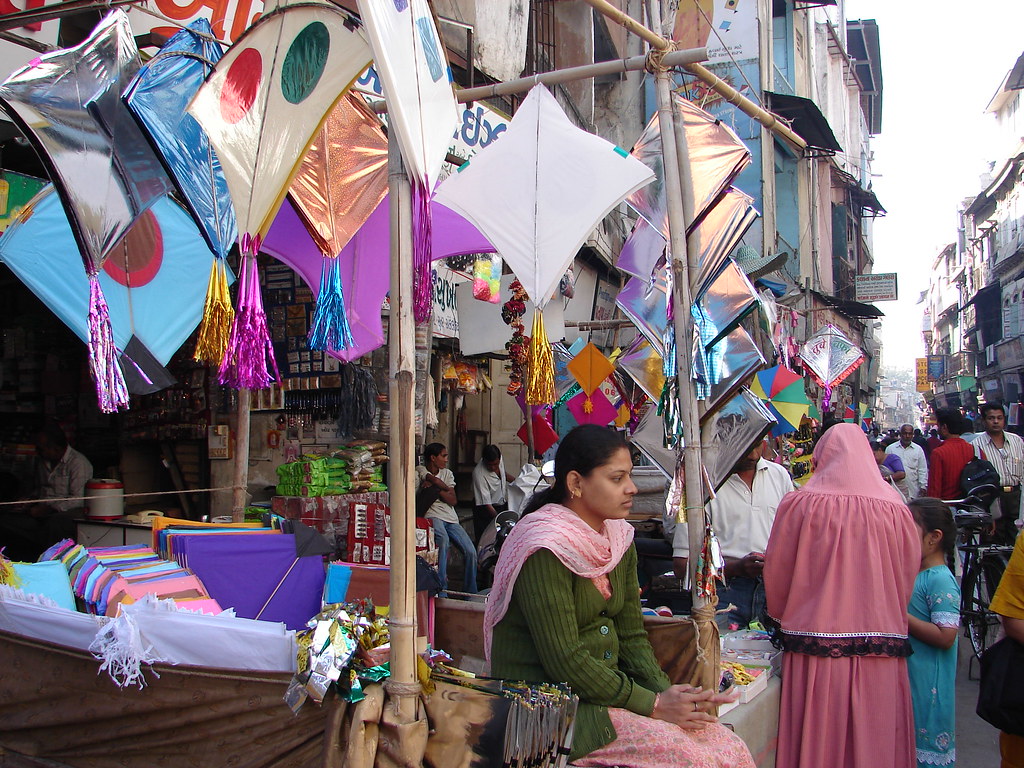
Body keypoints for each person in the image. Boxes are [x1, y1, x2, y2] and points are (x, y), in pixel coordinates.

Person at [486, 425, 754, 768]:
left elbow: (631, 637)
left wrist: (671, 697)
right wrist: (654, 705)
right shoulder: (544, 546)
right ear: (576, 484)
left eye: (628, 476)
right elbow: (565, 660)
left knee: (725, 743)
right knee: (688, 756)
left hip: (603, 698)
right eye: (617, 478)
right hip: (548, 708)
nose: (632, 488)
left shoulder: (617, 538)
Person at [764, 423, 920, 768]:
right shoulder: (896, 507)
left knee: (819, 740)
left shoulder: (801, 503)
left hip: (815, 644)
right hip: (881, 643)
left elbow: (777, 572)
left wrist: (778, 618)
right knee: (876, 737)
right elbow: (907, 574)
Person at [672, 441, 794, 630]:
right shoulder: (699, 485)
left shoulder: (779, 476)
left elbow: (792, 537)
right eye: (747, 444)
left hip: (773, 591)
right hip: (723, 594)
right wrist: (735, 568)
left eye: (758, 443)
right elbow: (682, 566)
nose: (754, 455)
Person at [905, 497, 960, 768]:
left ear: (933, 537)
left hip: (929, 684)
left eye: (908, 529)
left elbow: (945, 636)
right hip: (913, 677)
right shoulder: (916, 573)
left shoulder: (939, 579)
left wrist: (899, 617)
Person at [0, 421, 92, 561]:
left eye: (41, 448)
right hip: (39, 513)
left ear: (54, 448)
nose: (38, 452)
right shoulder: (42, 462)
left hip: (62, 514)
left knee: (54, 525)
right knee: (6, 521)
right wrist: (26, 502)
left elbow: (79, 499)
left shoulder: (78, 463)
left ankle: (48, 562)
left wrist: (49, 508)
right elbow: (40, 489)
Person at [416, 443, 477, 594]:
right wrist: (442, 488)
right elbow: (434, 482)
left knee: (471, 551)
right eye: (443, 456)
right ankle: (441, 588)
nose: (446, 459)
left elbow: (453, 500)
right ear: (433, 458)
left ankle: (470, 592)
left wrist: (436, 488)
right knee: (443, 540)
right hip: (433, 515)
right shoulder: (420, 470)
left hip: (451, 518)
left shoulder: (448, 474)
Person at [972, 402, 1024, 544]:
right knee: (994, 542)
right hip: (993, 497)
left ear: (1004, 420)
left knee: (1017, 540)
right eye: (991, 418)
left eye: (999, 418)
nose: (995, 421)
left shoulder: (1016, 441)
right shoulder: (976, 445)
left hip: (1016, 495)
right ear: (984, 421)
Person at [926, 409, 975, 501]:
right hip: (973, 506)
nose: (938, 429)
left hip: (949, 506)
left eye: (938, 426)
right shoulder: (975, 450)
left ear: (944, 427)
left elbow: (934, 490)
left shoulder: (938, 453)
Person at [471, 444, 514, 542]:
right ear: (484, 460)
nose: (494, 467)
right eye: (490, 465)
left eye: (496, 464)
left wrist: (519, 483)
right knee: (485, 540)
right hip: (485, 510)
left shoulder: (499, 459)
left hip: (500, 504)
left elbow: (504, 475)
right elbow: (487, 504)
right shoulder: (479, 474)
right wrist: (499, 519)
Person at [887, 424, 929, 500]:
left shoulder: (918, 450)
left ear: (913, 435)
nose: (907, 436)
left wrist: (923, 486)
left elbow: (922, 469)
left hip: (913, 491)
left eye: (910, 434)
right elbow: (885, 470)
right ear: (900, 434)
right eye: (905, 433)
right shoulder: (891, 449)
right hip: (895, 492)